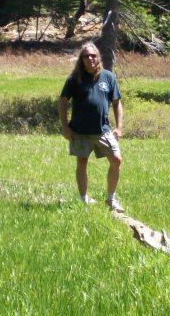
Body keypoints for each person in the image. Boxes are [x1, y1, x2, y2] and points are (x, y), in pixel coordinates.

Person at [58, 42, 124, 212]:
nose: (90, 58)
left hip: (103, 130)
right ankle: (84, 199)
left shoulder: (108, 77)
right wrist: (65, 127)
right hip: (79, 131)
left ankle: (111, 199)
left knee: (116, 160)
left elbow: (117, 103)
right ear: (82, 59)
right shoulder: (74, 78)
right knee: (82, 162)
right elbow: (63, 102)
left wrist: (119, 127)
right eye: (86, 56)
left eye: (93, 55)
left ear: (98, 58)